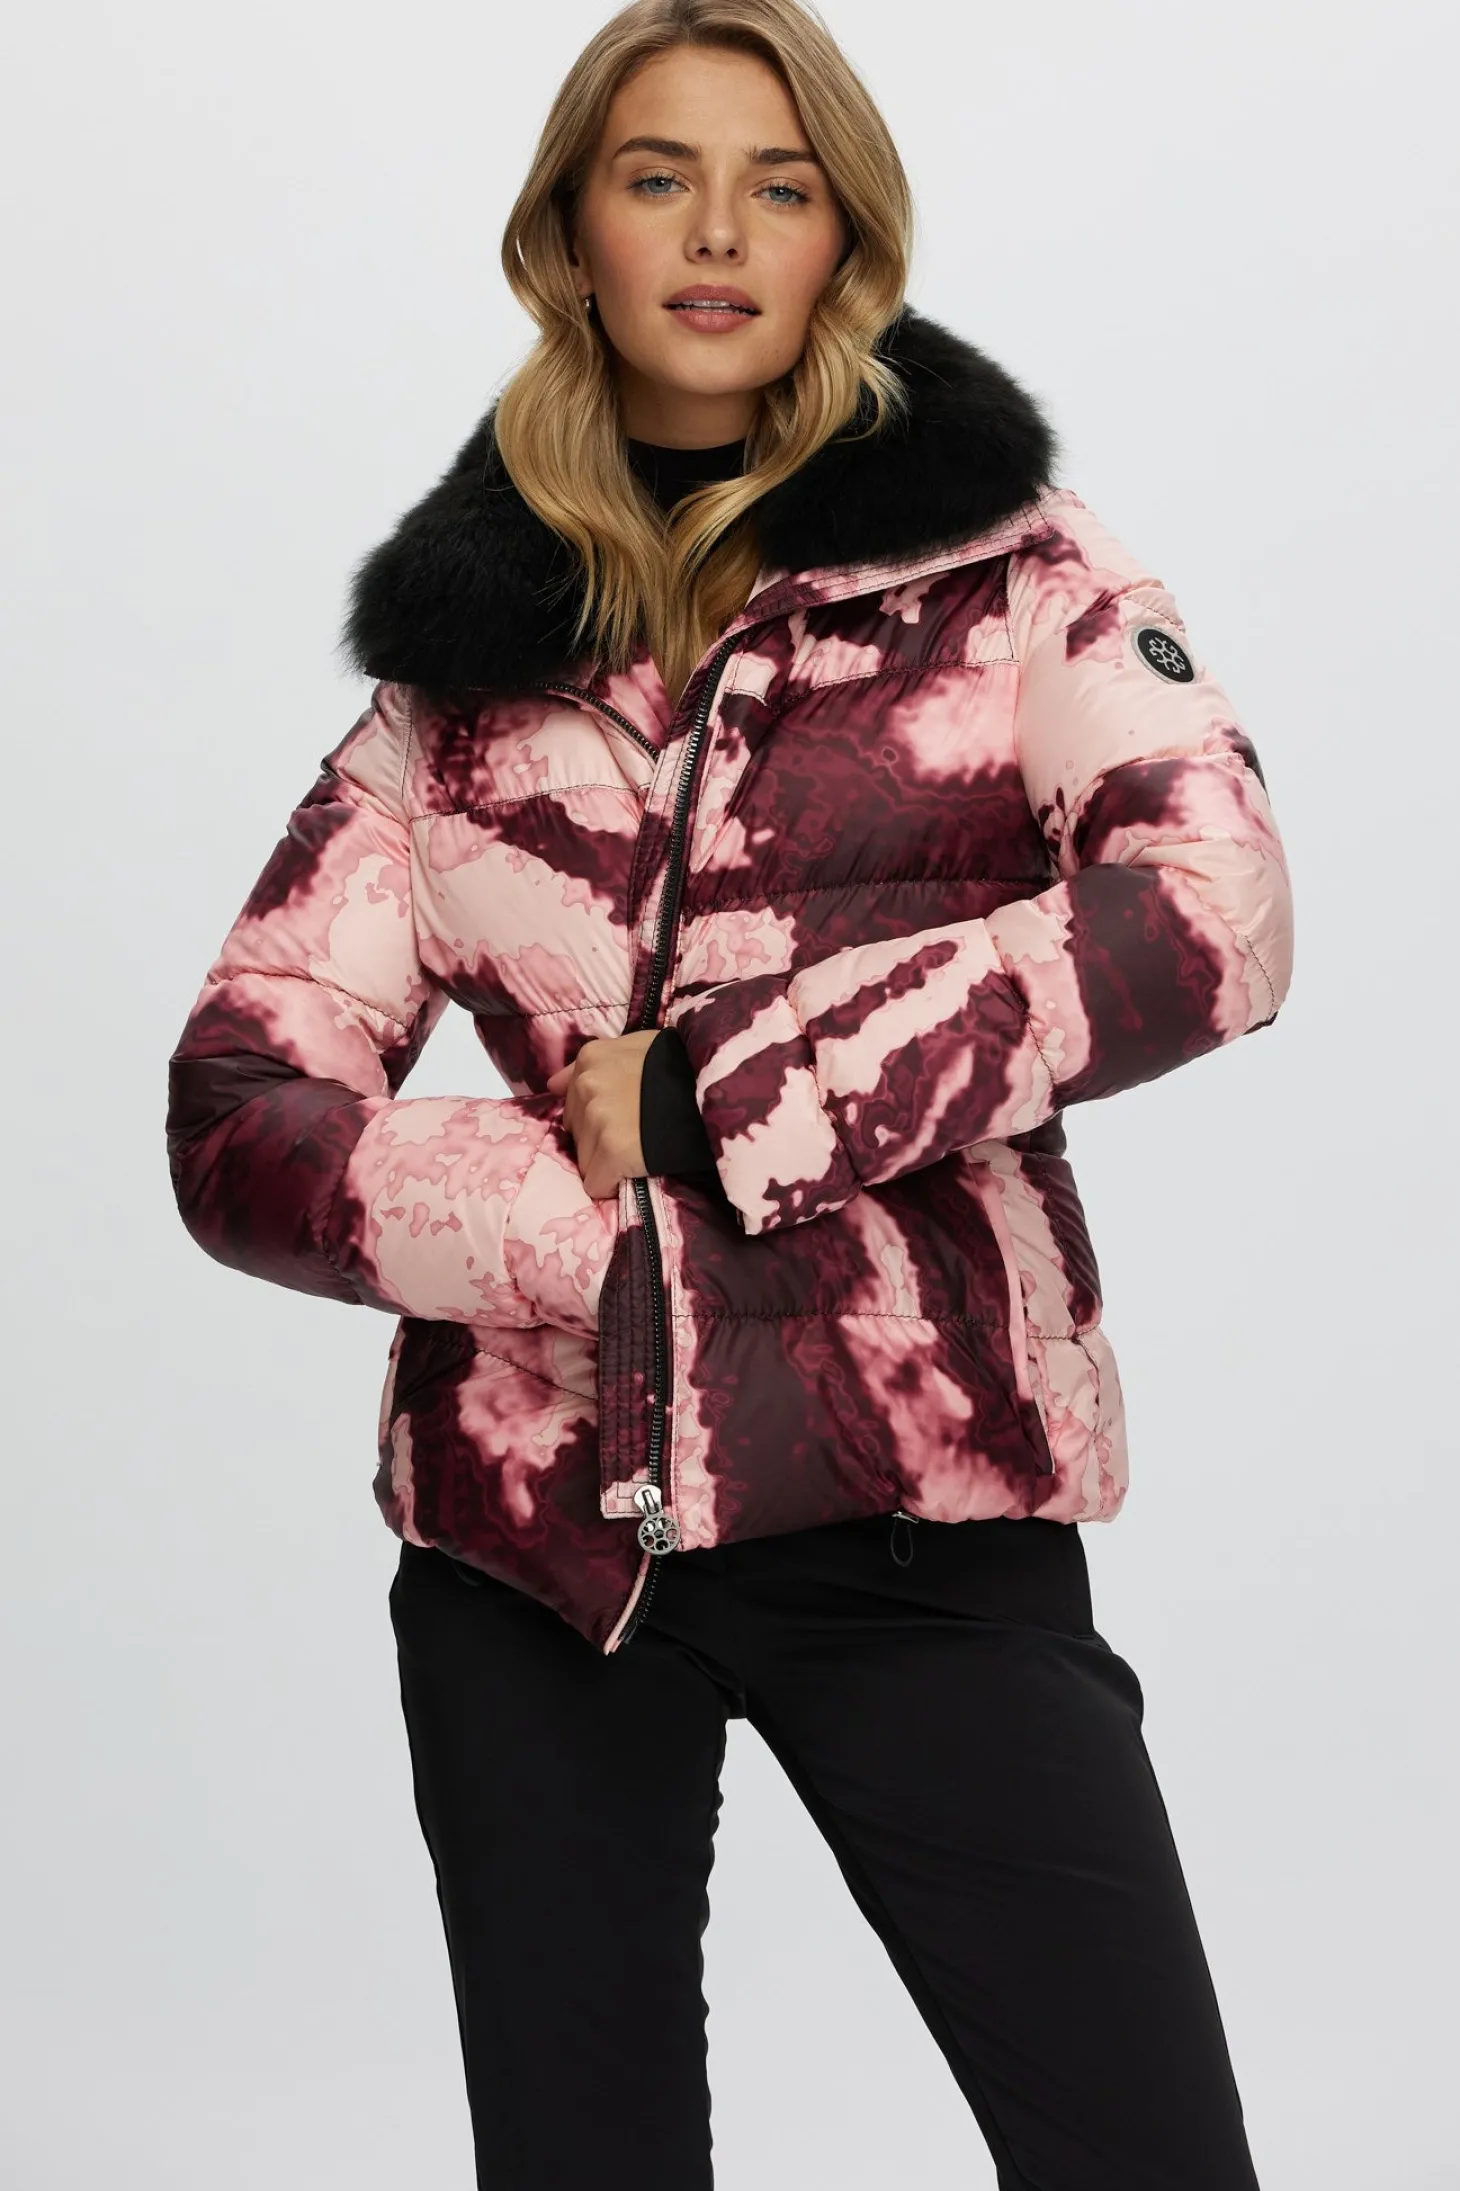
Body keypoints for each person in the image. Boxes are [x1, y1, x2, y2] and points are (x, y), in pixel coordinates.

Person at [165, 2, 1294, 2183]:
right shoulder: (458, 682)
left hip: (920, 1499)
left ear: (842, 240)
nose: (715, 232)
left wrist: (729, 1094)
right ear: (568, 237)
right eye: (656, 176)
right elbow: (239, 1111)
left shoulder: (1015, 583)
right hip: (534, 1548)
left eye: (778, 185)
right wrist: (579, 1223)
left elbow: (1211, 912)